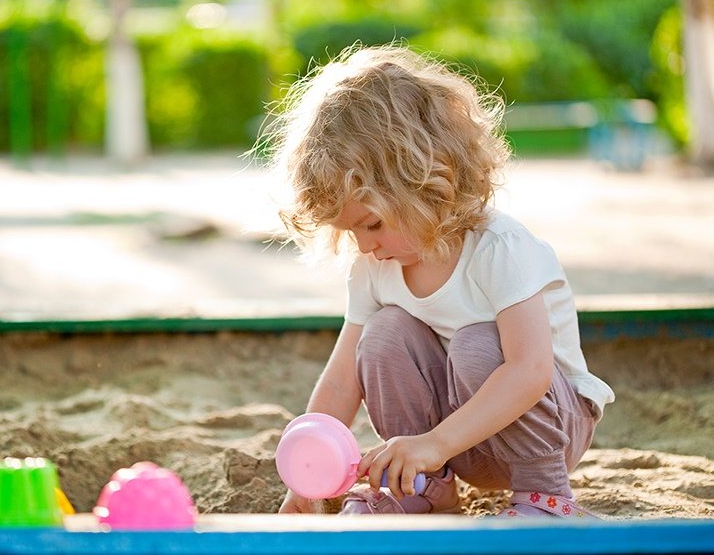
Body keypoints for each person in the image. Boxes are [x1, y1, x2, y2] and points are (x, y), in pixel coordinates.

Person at [263, 44, 615, 518]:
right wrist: (305, 473)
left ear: (425, 183)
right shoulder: (374, 267)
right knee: (383, 335)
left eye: (371, 224)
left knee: (475, 344)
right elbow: (343, 379)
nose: (365, 245)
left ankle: (545, 498)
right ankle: (424, 488)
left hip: (548, 427)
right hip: (452, 446)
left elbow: (530, 372)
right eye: (351, 231)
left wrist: (435, 441)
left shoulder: (499, 248)